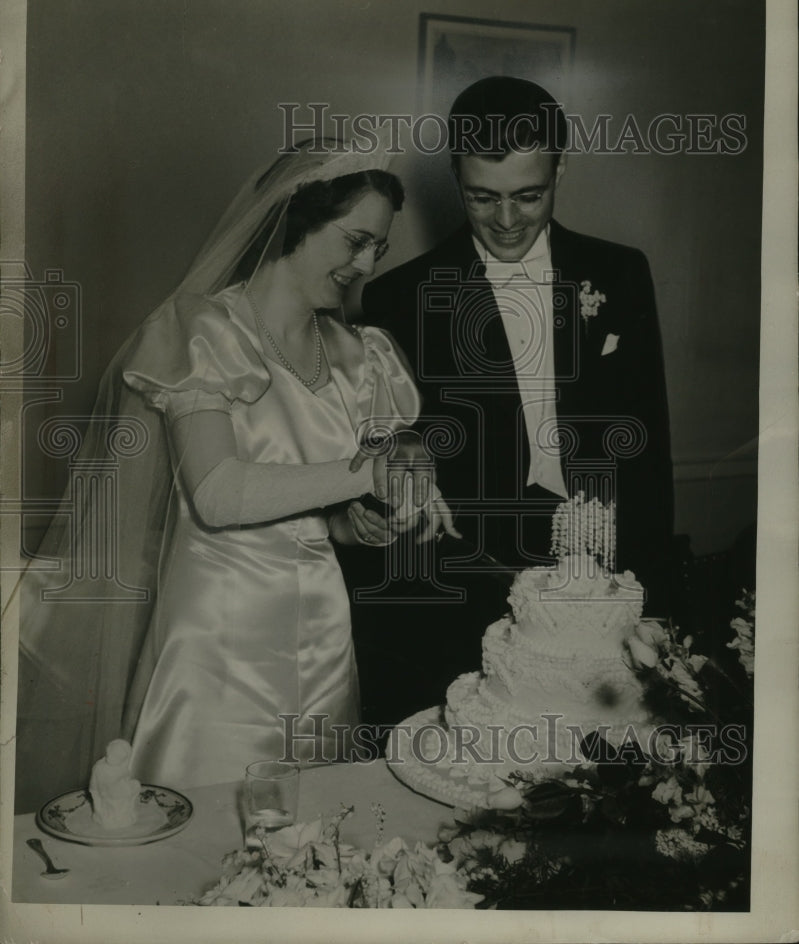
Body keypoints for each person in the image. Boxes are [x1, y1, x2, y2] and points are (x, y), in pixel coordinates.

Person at [15, 137, 456, 806]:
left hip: (326, 637)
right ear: (295, 221)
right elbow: (218, 494)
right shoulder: (203, 331)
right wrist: (367, 471)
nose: (365, 264)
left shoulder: (358, 354)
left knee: (311, 836)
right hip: (220, 640)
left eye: (379, 249)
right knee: (208, 829)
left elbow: (327, 511)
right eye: (354, 240)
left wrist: (362, 519)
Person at [349, 76, 674, 728]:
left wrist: (654, 598)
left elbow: (647, 445)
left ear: (560, 168)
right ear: (454, 177)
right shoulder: (398, 299)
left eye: (528, 196)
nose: (505, 220)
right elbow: (382, 460)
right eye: (481, 197)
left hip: (599, 588)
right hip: (462, 597)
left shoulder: (619, 273)